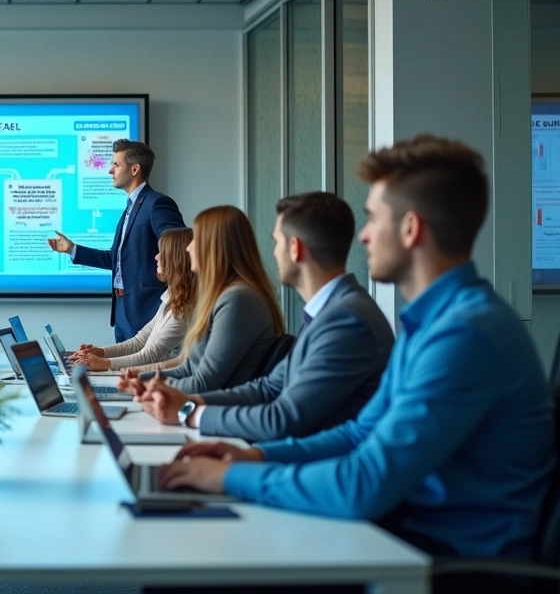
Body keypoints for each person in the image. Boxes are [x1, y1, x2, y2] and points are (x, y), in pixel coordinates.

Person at [161, 135, 554, 569]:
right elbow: (359, 433)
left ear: (410, 228)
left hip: (446, 560)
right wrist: (255, 456)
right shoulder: (433, 323)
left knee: (206, 561)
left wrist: (233, 476)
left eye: (372, 218)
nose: (362, 236)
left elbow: (364, 484)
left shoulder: (466, 335)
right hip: (402, 533)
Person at [132, 192, 393, 442]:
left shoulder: (345, 320)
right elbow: (268, 388)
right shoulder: (326, 313)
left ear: (295, 248)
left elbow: (284, 418)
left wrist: (190, 413)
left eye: (276, 242)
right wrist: (188, 403)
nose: (274, 252)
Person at [119, 205, 285, 393]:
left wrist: (147, 387)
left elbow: (205, 383)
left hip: (216, 406)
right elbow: (189, 368)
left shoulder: (237, 299)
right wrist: (141, 378)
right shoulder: (222, 295)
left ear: (215, 248)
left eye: (196, 240)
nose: (188, 248)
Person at [47, 139, 185, 342]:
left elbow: (178, 246)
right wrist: (72, 249)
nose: (110, 170)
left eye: (116, 164)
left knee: (143, 364)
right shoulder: (130, 207)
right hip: (121, 312)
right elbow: (116, 259)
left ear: (135, 169)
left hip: (146, 309)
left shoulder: (157, 203)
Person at [70, 228, 194, 372]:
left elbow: (151, 355)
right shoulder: (170, 298)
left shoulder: (186, 307)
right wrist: (100, 352)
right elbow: (139, 342)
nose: (156, 257)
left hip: (160, 380)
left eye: (162, 253)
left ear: (177, 259)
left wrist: (105, 364)